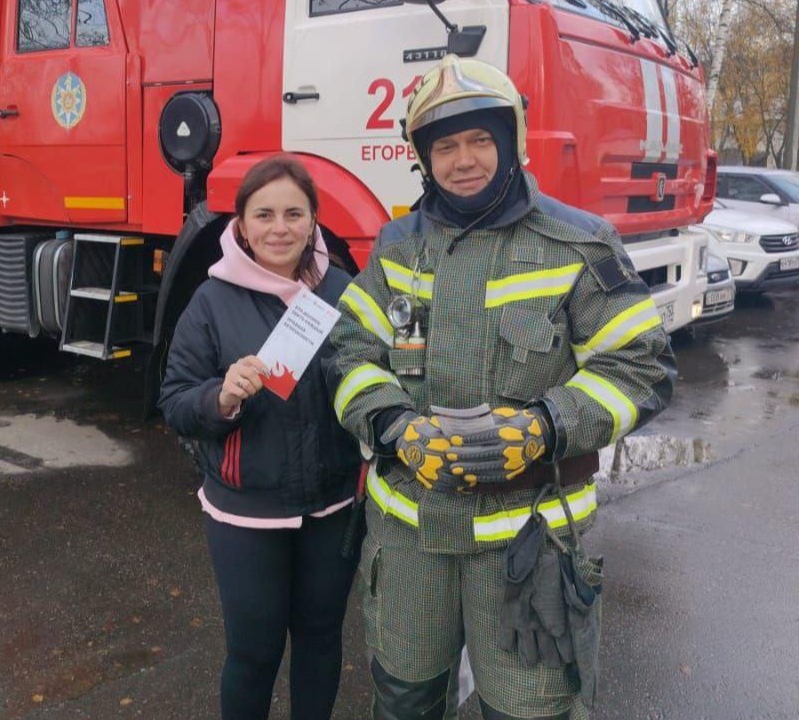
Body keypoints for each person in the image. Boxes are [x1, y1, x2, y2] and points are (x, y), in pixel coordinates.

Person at [329, 55, 675, 720]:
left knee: (532, 709)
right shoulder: (398, 248)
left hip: (530, 545)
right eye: (446, 145)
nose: (464, 160)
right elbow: (350, 355)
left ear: (510, 141)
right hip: (408, 544)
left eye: (480, 140)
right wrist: (396, 429)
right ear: (423, 159)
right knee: (404, 701)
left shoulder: (578, 243)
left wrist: (547, 425)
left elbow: (641, 364)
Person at [158, 155, 362, 720]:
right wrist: (220, 397)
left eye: (294, 213)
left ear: (313, 221)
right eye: (264, 214)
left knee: (321, 642)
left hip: (333, 507)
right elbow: (174, 401)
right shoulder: (211, 300)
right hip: (246, 516)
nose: (280, 228)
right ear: (241, 226)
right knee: (253, 655)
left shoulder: (344, 293)